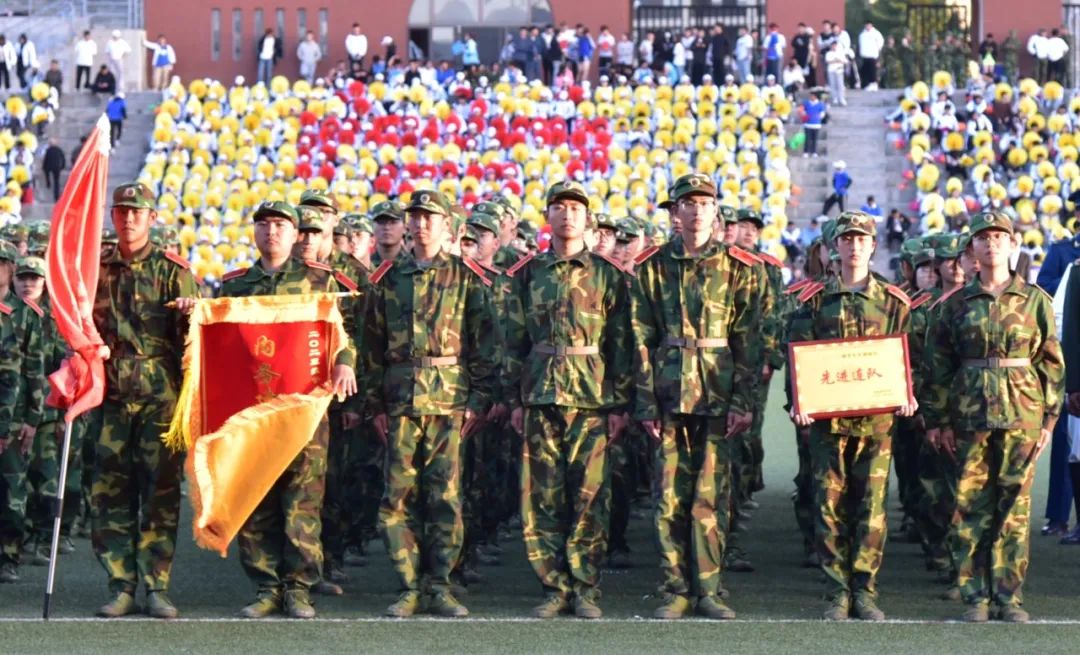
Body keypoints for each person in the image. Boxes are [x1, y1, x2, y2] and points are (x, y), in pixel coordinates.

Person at [218, 201, 357, 619]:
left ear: (296, 234)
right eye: (263, 225)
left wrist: (345, 360)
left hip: (304, 410)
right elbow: (218, 343)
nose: (271, 232)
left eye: (280, 225)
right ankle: (266, 586)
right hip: (254, 413)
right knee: (256, 498)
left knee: (303, 500)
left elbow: (345, 332)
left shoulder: (321, 281)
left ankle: (298, 587)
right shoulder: (235, 286)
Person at [924, 210, 1064, 622]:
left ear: (1012, 243)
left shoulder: (1035, 300)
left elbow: (1051, 363)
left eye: (1000, 236)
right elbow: (937, 366)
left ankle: (1008, 596)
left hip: (1023, 415)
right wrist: (938, 421)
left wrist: (1049, 421)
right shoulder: (954, 304)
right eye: (983, 238)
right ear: (971, 249)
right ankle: (975, 595)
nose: (992, 244)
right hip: (970, 417)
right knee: (970, 506)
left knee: (1014, 510)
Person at [364, 190, 497, 618]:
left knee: (446, 497)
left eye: (430, 218)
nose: (421, 225)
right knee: (397, 498)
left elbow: (484, 343)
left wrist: (479, 399)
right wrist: (374, 404)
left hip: (449, 400)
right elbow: (371, 345)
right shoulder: (387, 279)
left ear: (446, 226)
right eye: (415, 217)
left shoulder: (466, 277)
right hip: (400, 400)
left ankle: (439, 585)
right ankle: (408, 585)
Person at [631, 174, 757, 620]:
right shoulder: (652, 266)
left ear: (715, 211)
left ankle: (708, 589)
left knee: (710, 496)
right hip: (668, 393)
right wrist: (645, 402)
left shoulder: (738, 267)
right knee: (668, 497)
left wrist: (743, 401)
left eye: (705, 203)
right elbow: (640, 337)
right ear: (676, 212)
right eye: (688, 202)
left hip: (717, 394)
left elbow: (747, 340)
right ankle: (675, 588)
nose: (697, 210)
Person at [502, 181, 630, 619]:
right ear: (548, 217)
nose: (568, 214)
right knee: (543, 496)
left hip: (592, 399)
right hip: (540, 394)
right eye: (560, 207)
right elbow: (512, 339)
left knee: (590, 496)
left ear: (587, 218)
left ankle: (586, 586)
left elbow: (621, 343)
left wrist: (620, 404)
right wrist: (514, 399)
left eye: (576, 208)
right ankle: (554, 586)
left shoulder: (607, 274)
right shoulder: (528, 273)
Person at [788, 211, 915, 621]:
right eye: (847, 239)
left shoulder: (893, 302)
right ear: (834, 247)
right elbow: (798, 359)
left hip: (877, 423)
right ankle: (837, 591)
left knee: (871, 509)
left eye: (862, 239)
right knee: (828, 506)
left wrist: (907, 394)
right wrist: (798, 403)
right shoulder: (812, 300)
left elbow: (909, 357)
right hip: (827, 424)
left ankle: (864, 589)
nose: (854, 246)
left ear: (873, 245)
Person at [91, 182, 200, 618]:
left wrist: (192, 314)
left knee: (160, 493)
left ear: (152, 218)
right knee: (110, 493)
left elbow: (194, 341)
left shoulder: (173, 270)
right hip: (110, 396)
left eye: (137, 211)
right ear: (113, 217)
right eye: (122, 211)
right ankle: (121, 585)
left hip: (160, 397)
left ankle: (156, 585)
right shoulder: (96, 268)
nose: (129, 218)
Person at [0, 242, 44, 585]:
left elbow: (34, 368)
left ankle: (9, 556)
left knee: (12, 492)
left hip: (12, 419)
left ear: (10, 268)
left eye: (2, 263)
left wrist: (32, 419)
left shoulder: (26, 314)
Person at [858, 22, 884, 90]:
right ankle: (867, 84)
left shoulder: (876, 33)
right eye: (866, 25)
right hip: (864, 56)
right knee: (865, 71)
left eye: (869, 25)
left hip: (873, 55)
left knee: (872, 70)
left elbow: (880, 42)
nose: (868, 26)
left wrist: (877, 50)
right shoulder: (862, 34)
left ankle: (874, 84)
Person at [802, 91, 826, 157]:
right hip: (807, 124)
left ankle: (814, 152)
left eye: (812, 96)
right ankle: (806, 152)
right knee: (807, 139)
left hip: (816, 125)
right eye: (810, 96)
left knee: (815, 139)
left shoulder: (820, 104)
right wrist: (805, 116)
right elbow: (803, 112)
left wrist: (817, 117)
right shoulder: (806, 103)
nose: (811, 97)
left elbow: (822, 114)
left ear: (815, 97)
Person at [42, 138, 65, 203]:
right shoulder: (59, 149)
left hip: (49, 167)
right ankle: (56, 196)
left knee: (48, 175)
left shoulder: (48, 150)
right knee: (56, 182)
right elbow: (63, 158)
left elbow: (45, 159)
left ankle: (48, 183)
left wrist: (43, 167)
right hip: (57, 167)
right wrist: (62, 166)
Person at [825, 41, 846, 106]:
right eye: (833, 45)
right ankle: (835, 98)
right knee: (833, 84)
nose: (834, 47)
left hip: (839, 70)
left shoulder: (840, 53)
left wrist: (837, 60)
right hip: (831, 70)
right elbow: (828, 61)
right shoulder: (828, 53)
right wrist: (836, 60)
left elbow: (844, 61)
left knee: (840, 85)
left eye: (835, 45)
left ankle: (841, 98)